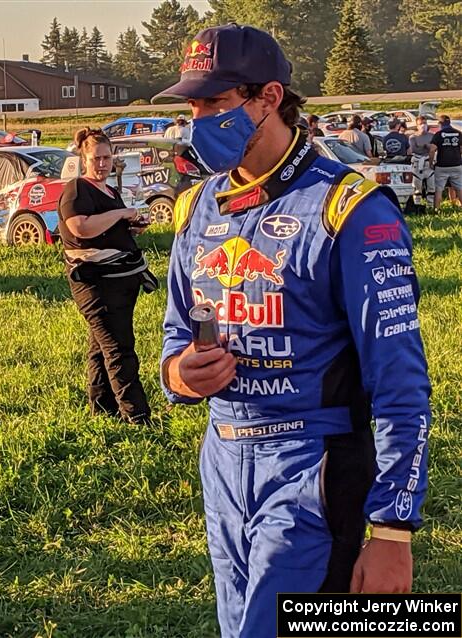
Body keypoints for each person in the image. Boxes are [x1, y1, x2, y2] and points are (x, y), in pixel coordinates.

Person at [152, 23, 430, 638]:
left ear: (269, 97)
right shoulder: (197, 206)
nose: (197, 119)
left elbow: (400, 381)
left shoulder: (349, 207)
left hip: (313, 464)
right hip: (222, 459)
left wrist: (392, 530)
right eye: (191, 105)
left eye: (215, 104)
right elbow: (176, 331)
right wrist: (179, 373)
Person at [58, 127, 156, 424]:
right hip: (95, 282)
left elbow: (107, 228)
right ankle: (137, 416)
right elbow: (81, 228)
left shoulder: (110, 191)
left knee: (101, 348)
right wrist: (121, 214)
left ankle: (102, 410)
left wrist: (133, 225)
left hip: (121, 279)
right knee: (120, 349)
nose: (102, 164)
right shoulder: (77, 189)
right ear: (83, 159)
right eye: (96, 158)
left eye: (107, 157)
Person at [429, 114, 462, 208]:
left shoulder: (438, 135)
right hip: (456, 164)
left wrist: (431, 163)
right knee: (459, 188)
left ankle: (436, 210)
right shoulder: (458, 133)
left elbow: (432, 150)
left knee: (438, 189)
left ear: (440, 124)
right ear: (449, 122)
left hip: (442, 165)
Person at [409, 115, 435, 210]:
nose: (423, 126)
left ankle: (430, 206)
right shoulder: (413, 137)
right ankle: (417, 206)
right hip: (417, 164)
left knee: (431, 187)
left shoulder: (432, 136)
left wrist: (428, 147)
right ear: (417, 125)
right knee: (417, 187)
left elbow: (434, 148)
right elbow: (415, 149)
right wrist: (426, 147)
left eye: (425, 123)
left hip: (429, 163)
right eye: (421, 124)